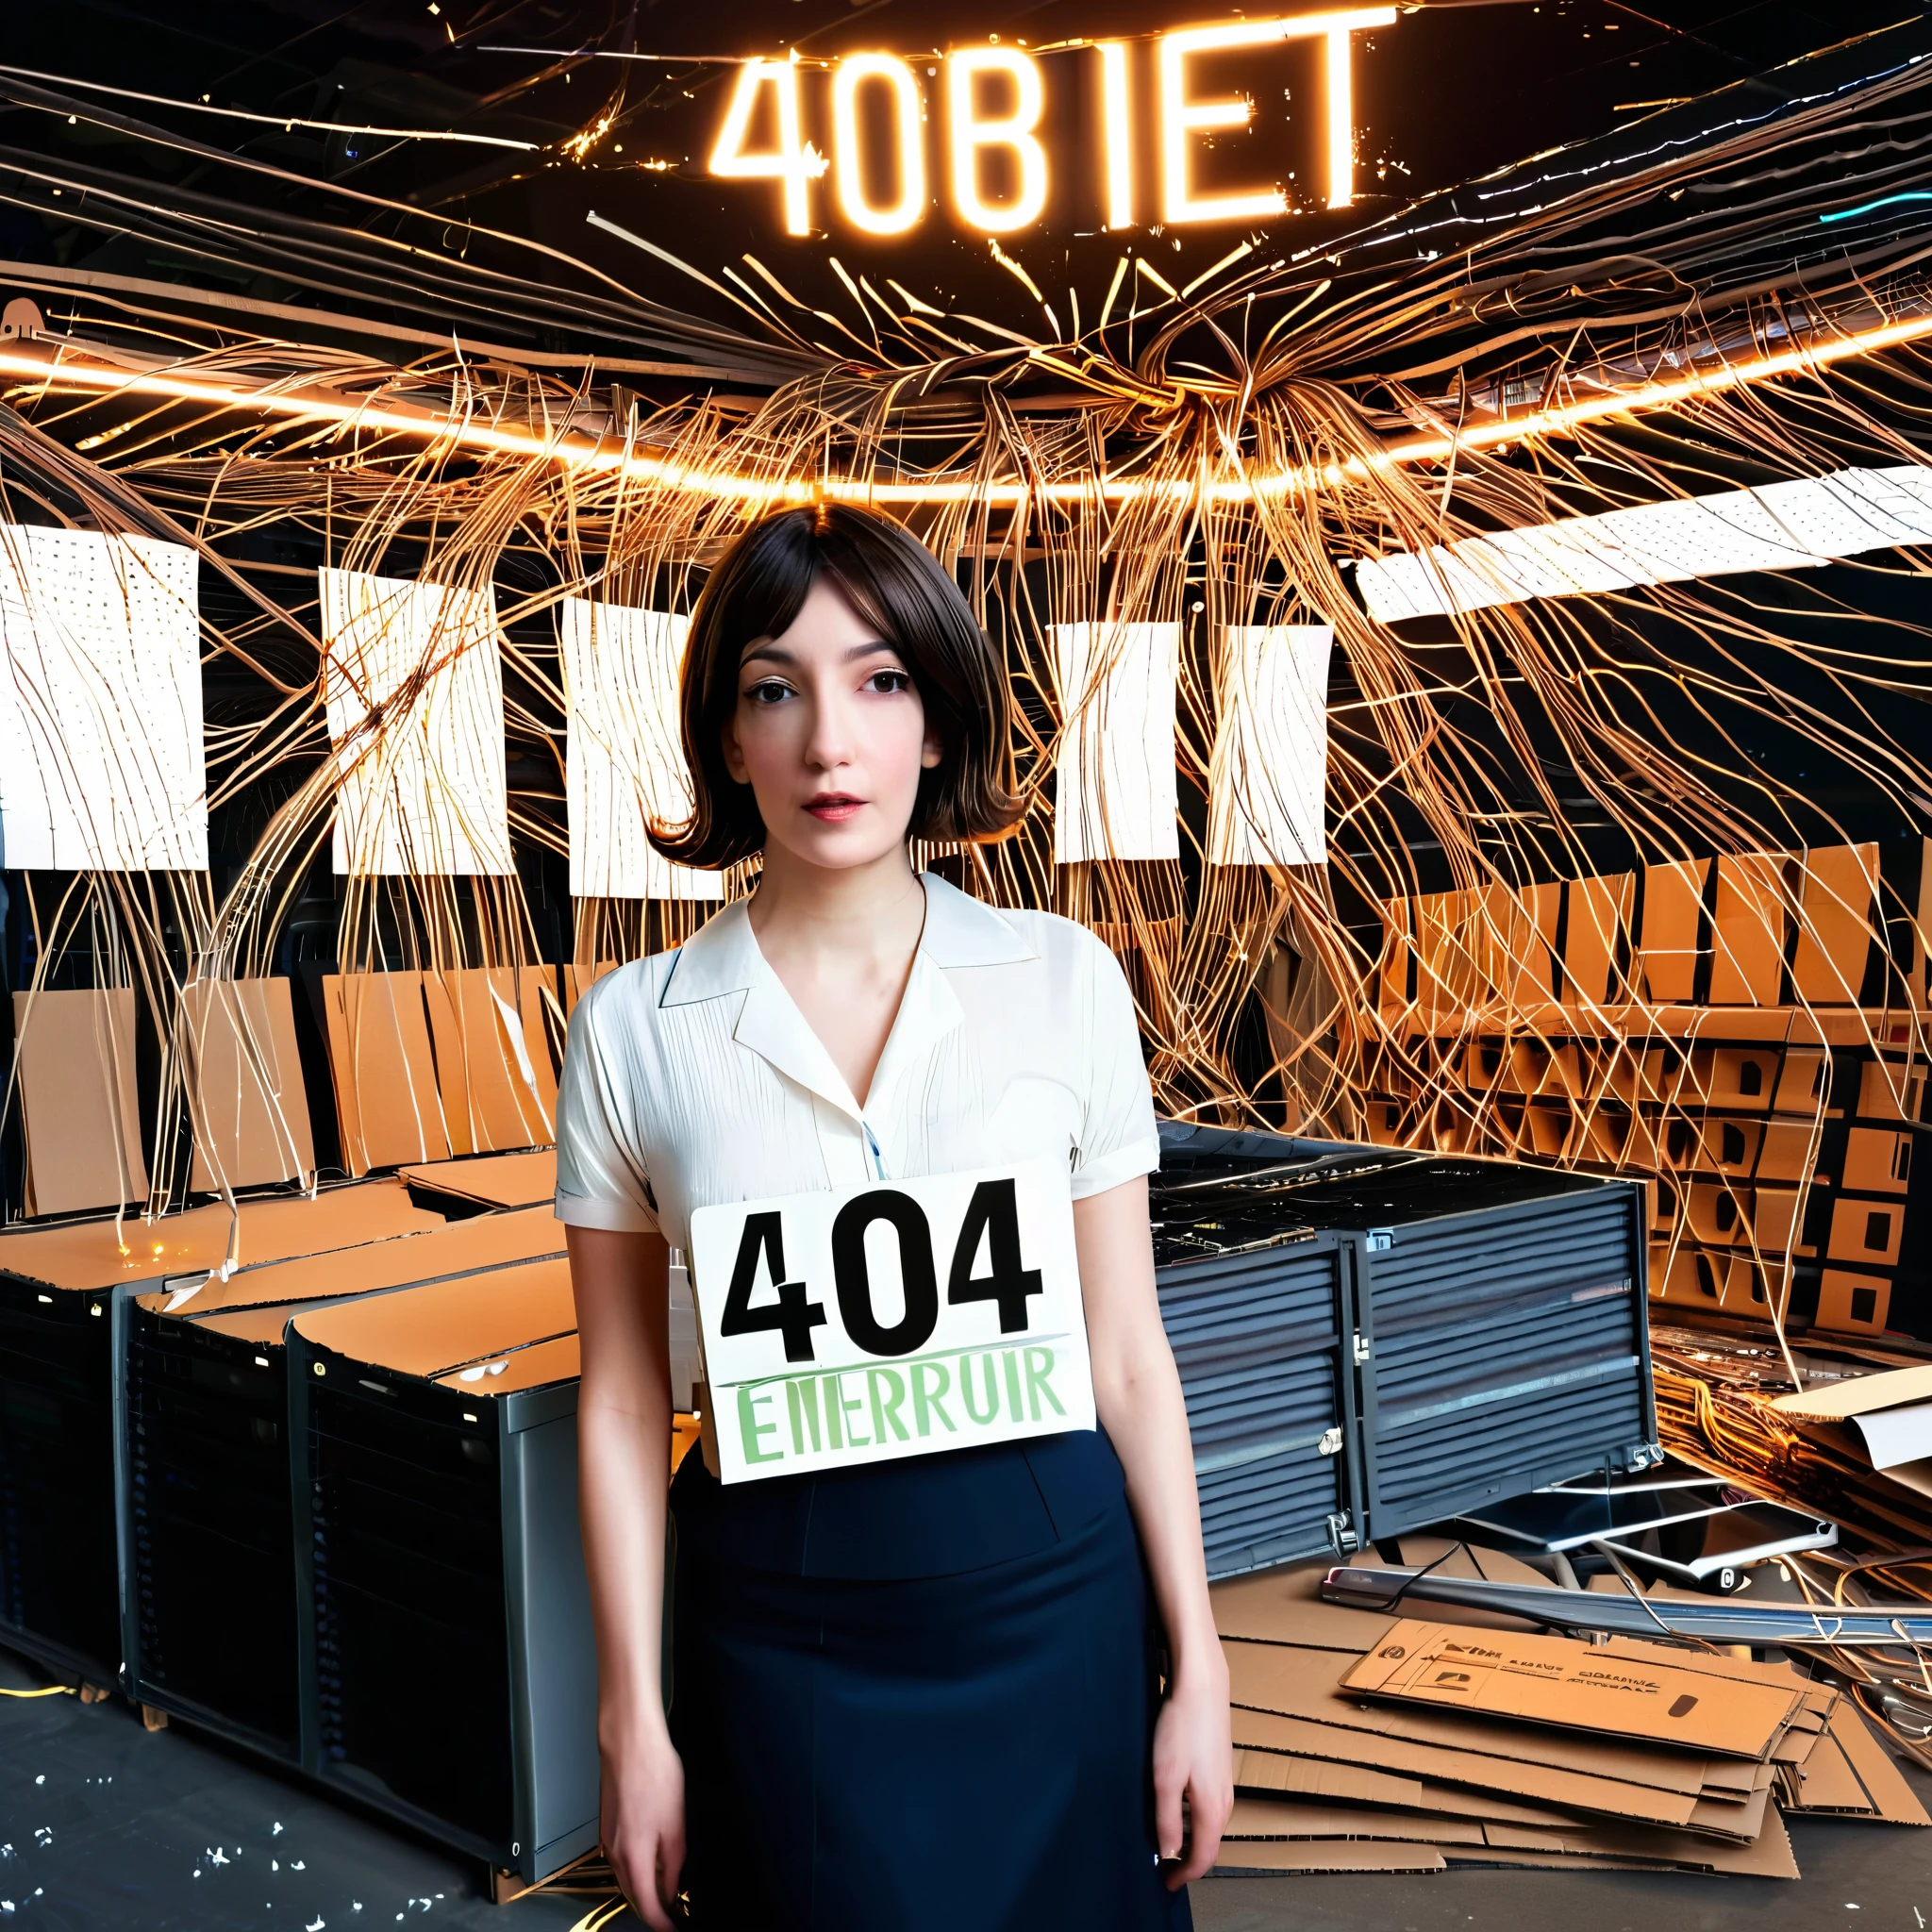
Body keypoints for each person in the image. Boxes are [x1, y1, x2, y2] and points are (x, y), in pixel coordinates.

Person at [555, 502, 1231, 1931]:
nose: (827, 742)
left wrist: (1203, 1665)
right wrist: (631, 1717)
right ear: (728, 737)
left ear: (938, 722)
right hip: (779, 1617)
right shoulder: (634, 1029)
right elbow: (619, 1401)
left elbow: (1126, 1354)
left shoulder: (1065, 980)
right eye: (773, 688)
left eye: (879, 681)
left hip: (1050, 1592)